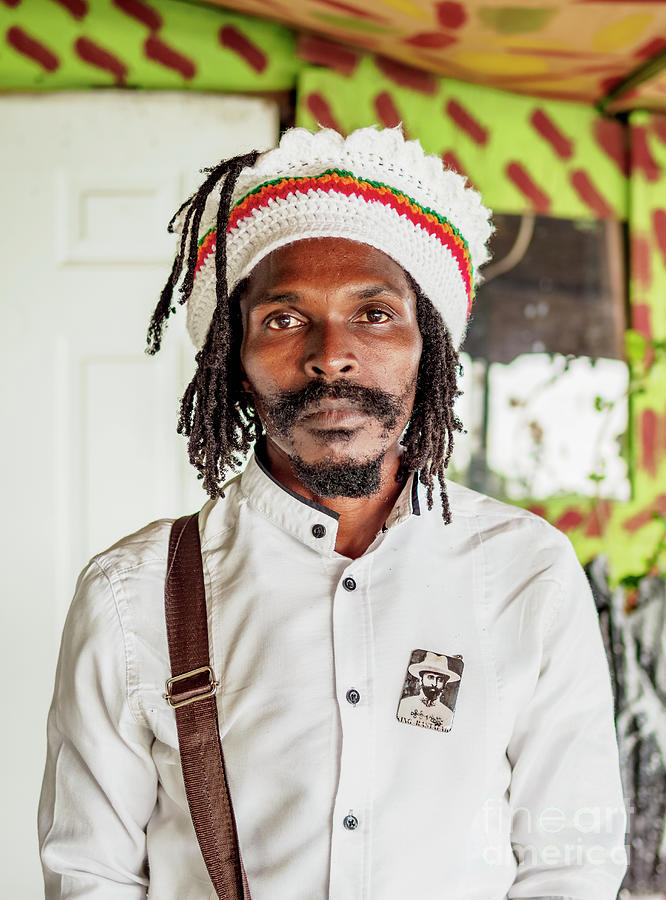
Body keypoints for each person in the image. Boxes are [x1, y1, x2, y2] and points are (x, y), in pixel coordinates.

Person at [38, 125, 627, 899]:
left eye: (375, 313)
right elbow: (90, 874)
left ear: (431, 349)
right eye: (283, 319)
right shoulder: (132, 591)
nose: (331, 354)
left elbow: (570, 861)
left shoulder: (526, 571)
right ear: (236, 364)